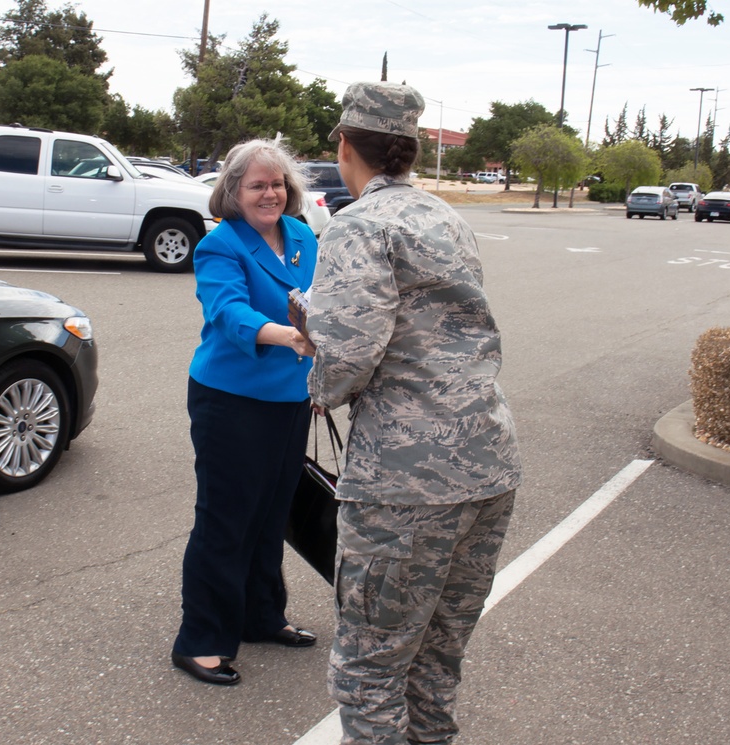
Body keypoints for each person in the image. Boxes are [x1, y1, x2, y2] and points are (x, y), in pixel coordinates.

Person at [306, 82, 523, 743]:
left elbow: (346, 361)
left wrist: (318, 367)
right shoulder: (443, 216)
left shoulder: (357, 225)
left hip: (406, 483)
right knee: (435, 659)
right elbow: (429, 322)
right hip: (487, 462)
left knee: (370, 673)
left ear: (345, 146)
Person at [172, 138, 319, 687]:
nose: (270, 193)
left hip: (290, 397)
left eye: (277, 183)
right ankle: (201, 639)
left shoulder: (303, 235)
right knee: (225, 517)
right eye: (257, 184)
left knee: (271, 512)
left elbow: (320, 300)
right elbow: (228, 310)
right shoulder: (220, 246)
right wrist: (282, 334)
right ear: (233, 191)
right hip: (230, 399)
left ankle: (261, 616)